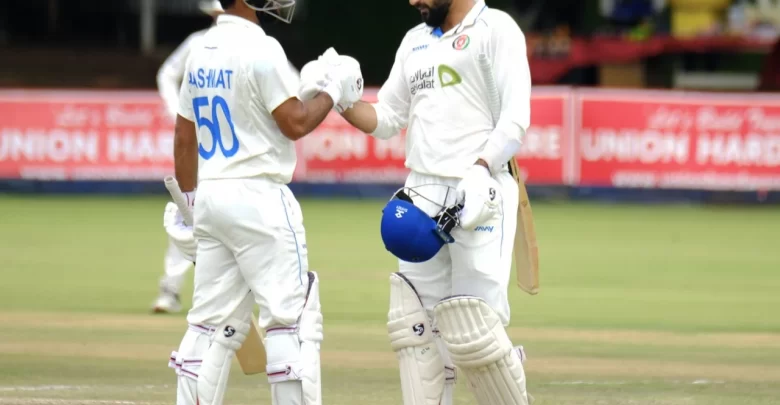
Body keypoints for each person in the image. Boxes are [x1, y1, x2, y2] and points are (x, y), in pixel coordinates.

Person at [305, 0, 533, 404]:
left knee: (475, 331)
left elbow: (515, 118)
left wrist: (481, 168)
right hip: (420, 194)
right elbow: (389, 117)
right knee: (416, 333)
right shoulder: (414, 41)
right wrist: (337, 98)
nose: (413, 1)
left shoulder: (497, 29)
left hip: (480, 192)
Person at [161, 0, 363, 404]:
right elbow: (296, 123)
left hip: (213, 195)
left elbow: (185, 140)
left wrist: (190, 207)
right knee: (290, 321)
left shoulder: (201, 49)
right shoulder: (262, 47)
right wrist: (334, 90)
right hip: (260, 198)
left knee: (206, 325)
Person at [152, 0, 225, 314]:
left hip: (240, 149)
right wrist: (178, 112)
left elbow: (290, 86)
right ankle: (170, 288)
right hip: (202, 147)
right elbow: (167, 74)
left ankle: (242, 294)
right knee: (188, 210)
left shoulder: (260, 46)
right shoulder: (198, 43)